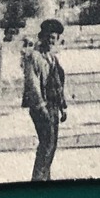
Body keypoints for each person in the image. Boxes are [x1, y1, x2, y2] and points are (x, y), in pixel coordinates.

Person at [21, 18, 68, 182]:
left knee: (52, 144)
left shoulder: (52, 58)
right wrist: (41, 107)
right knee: (46, 143)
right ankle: (38, 179)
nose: (51, 41)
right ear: (42, 37)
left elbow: (57, 83)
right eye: (48, 37)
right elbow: (32, 85)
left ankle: (46, 178)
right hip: (41, 107)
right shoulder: (33, 57)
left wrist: (63, 106)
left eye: (54, 38)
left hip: (54, 106)